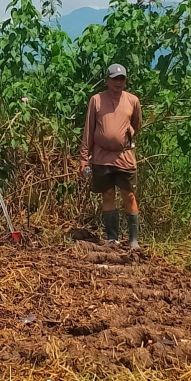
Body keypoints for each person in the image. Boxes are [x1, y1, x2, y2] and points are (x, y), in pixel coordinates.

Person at [80, 63, 143, 248]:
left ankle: (133, 241)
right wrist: (84, 158)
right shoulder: (96, 100)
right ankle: (112, 238)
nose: (118, 83)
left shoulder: (132, 100)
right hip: (101, 157)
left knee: (129, 195)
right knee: (107, 194)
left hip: (124, 157)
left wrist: (125, 135)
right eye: (114, 79)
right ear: (107, 81)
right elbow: (88, 131)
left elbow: (137, 125)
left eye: (121, 79)